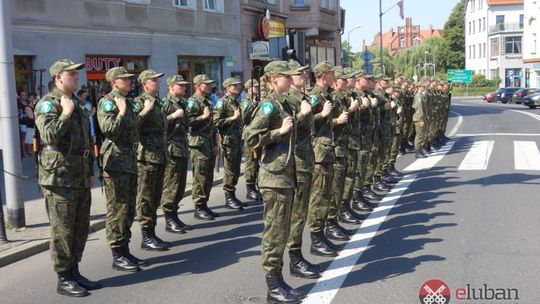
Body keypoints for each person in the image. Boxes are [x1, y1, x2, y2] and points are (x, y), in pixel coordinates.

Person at [35, 58, 100, 297]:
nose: (76, 77)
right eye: (70, 74)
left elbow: (86, 141)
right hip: (59, 177)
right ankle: (63, 277)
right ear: (58, 77)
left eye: (76, 73)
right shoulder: (48, 104)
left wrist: (91, 172)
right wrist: (65, 114)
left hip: (80, 173)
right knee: (63, 229)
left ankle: (74, 271)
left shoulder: (76, 103)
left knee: (80, 226)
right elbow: (50, 136)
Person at [244, 60, 304, 304]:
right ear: (273, 79)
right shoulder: (268, 106)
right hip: (274, 177)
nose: (290, 80)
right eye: (286, 77)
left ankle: (278, 280)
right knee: (274, 232)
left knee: (282, 231)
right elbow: (250, 137)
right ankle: (272, 286)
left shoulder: (283, 103)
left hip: (285, 174)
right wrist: (278, 133)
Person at [97, 66, 147, 272]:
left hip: (128, 159)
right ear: (113, 82)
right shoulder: (109, 102)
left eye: (129, 79)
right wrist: (122, 112)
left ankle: (125, 250)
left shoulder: (126, 100)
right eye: (124, 79)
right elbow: (108, 130)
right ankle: (117, 253)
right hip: (116, 162)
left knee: (128, 209)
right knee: (117, 208)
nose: (129, 82)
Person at [285, 60, 321, 279]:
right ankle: (294, 259)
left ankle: (298, 255)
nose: (304, 76)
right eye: (299, 74)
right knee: (297, 214)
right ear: (290, 77)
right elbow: (286, 130)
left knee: (302, 211)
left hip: (307, 160)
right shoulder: (288, 101)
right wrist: (304, 114)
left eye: (305, 73)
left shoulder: (303, 99)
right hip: (296, 162)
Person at [133, 69, 171, 251]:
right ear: (144, 84)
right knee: (146, 196)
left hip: (159, 154)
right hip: (147, 155)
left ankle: (152, 233)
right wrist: (145, 111)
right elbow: (133, 127)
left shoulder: (159, 102)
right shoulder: (140, 102)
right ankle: (146, 236)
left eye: (158, 80)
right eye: (153, 80)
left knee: (156, 196)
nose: (157, 82)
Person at [307, 61, 341, 257]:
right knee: (318, 196)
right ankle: (316, 238)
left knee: (326, 194)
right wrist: (323, 114)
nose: (334, 77)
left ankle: (322, 233)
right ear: (322, 76)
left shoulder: (326, 95)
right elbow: (304, 122)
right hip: (318, 153)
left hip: (327, 150)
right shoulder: (314, 96)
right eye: (331, 74)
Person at [160, 75, 193, 233]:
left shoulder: (183, 103)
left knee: (180, 186)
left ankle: (174, 215)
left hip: (182, 148)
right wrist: (173, 116)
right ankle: (169, 219)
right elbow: (157, 124)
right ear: (171, 87)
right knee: (171, 185)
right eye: (181, 85)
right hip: (171, 150)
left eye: (185, 85)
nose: (184, 88)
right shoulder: (165, 103)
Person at [186, 74, 220, 220]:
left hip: (209, 142)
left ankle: (204, 204)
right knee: (200, 176)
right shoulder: (193, 102)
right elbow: (187, 122)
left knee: (208, 176)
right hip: (198, 144)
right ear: (197, 85)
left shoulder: (208, 100)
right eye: (205, 84)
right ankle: (198, 206)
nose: (208, 86)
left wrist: (215, 144)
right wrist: (202, 117)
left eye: (209, 84)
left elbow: (212, 126)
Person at [214, 77, 245, 210]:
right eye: (234, 85)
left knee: (236, 168)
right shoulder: (223, 102)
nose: (237, 87)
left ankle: (232, 194)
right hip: (228, 140)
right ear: (227, 88)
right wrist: (232, 118)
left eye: (238, 85)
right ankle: (229, 196)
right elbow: (216, 122)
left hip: (237, 139)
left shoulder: (235, 101)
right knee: (230, 169)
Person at [241, 79, 262, 200]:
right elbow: (243, 118)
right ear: (249, 88)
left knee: (257, 161)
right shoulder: (246, 101)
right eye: (255, 87)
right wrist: (252, 107)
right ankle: (250, 188)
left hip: (257, 133)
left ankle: (256, 184)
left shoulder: (258, 99)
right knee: (250, 162)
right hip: (249, 134)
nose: (257, 88)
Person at [24, 93, 37, 157]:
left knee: (37, 146)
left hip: (36, 127)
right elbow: (31, 117)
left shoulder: (36, 106)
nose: (32, 99)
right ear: (28, 99)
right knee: (31, 145)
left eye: (33, 97)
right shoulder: (27, 107)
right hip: (31, 127)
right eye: (31, 97)